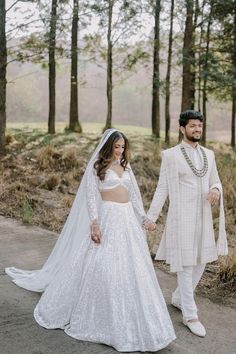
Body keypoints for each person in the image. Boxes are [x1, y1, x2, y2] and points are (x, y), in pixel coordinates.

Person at [6, 129, 176, 352]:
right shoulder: (98, 167)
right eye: (116, 147)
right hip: (107, 217)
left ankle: (133, 317)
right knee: (101, 263)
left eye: (123, 147)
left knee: (132, 268)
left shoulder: (126, 167)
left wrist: (144, 218)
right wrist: (94, 223)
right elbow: (90, 198)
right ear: (108, 147)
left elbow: (134, 196)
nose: (120, 151)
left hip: (126, 219)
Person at [145, 110, 228, 338]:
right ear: (182, 129)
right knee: (186, 263)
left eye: (199, 126)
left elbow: (217, 181)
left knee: (202, 259)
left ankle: (180, 297)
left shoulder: (209, 155)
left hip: (203, 217)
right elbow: (163, 187)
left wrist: (215, 189)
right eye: (192, 126)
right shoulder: (171, 155)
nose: (197, 130)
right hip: (181, 217)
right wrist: (151, 217)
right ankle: (190, 314)